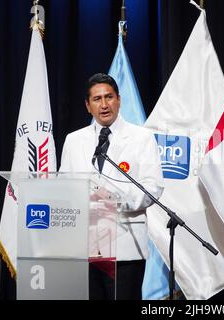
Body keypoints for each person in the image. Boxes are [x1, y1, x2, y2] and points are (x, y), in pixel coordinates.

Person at [59, 73, 164, 299]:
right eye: (97, 99)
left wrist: (113, 199)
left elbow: (153, 188)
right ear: (88, 106)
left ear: (119, 99)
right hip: (85, 248)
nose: (104, 105)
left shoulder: (141, 138)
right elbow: (64, 188)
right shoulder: (74, 140)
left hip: (125, 247)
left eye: (109, 97)